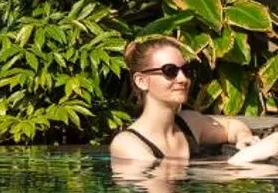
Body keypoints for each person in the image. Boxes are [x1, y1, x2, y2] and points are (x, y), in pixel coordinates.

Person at [108, 37, 261, 165]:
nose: (183, 79)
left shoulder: (189, 123)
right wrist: (245, 160)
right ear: (141, 81)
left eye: (186, 71)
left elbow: (232, 126)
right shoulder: (127, 144)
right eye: (170, 71)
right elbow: (162, 185)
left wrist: (244, 138)